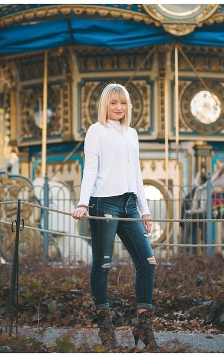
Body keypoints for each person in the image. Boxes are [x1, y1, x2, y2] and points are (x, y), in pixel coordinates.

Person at [71, 83, 158, 349]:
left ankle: (143, 327)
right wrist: (83, 203)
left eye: (123, 103)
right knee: (103, 265)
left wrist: (144, 209)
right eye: (113, 103)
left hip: (130, 204)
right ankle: (106, 333)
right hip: (103, 202)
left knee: (148, 262)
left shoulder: (131, 133)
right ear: (104, 105)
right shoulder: (96, 131)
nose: (118, 108)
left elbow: (137, 174)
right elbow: (91, 169)